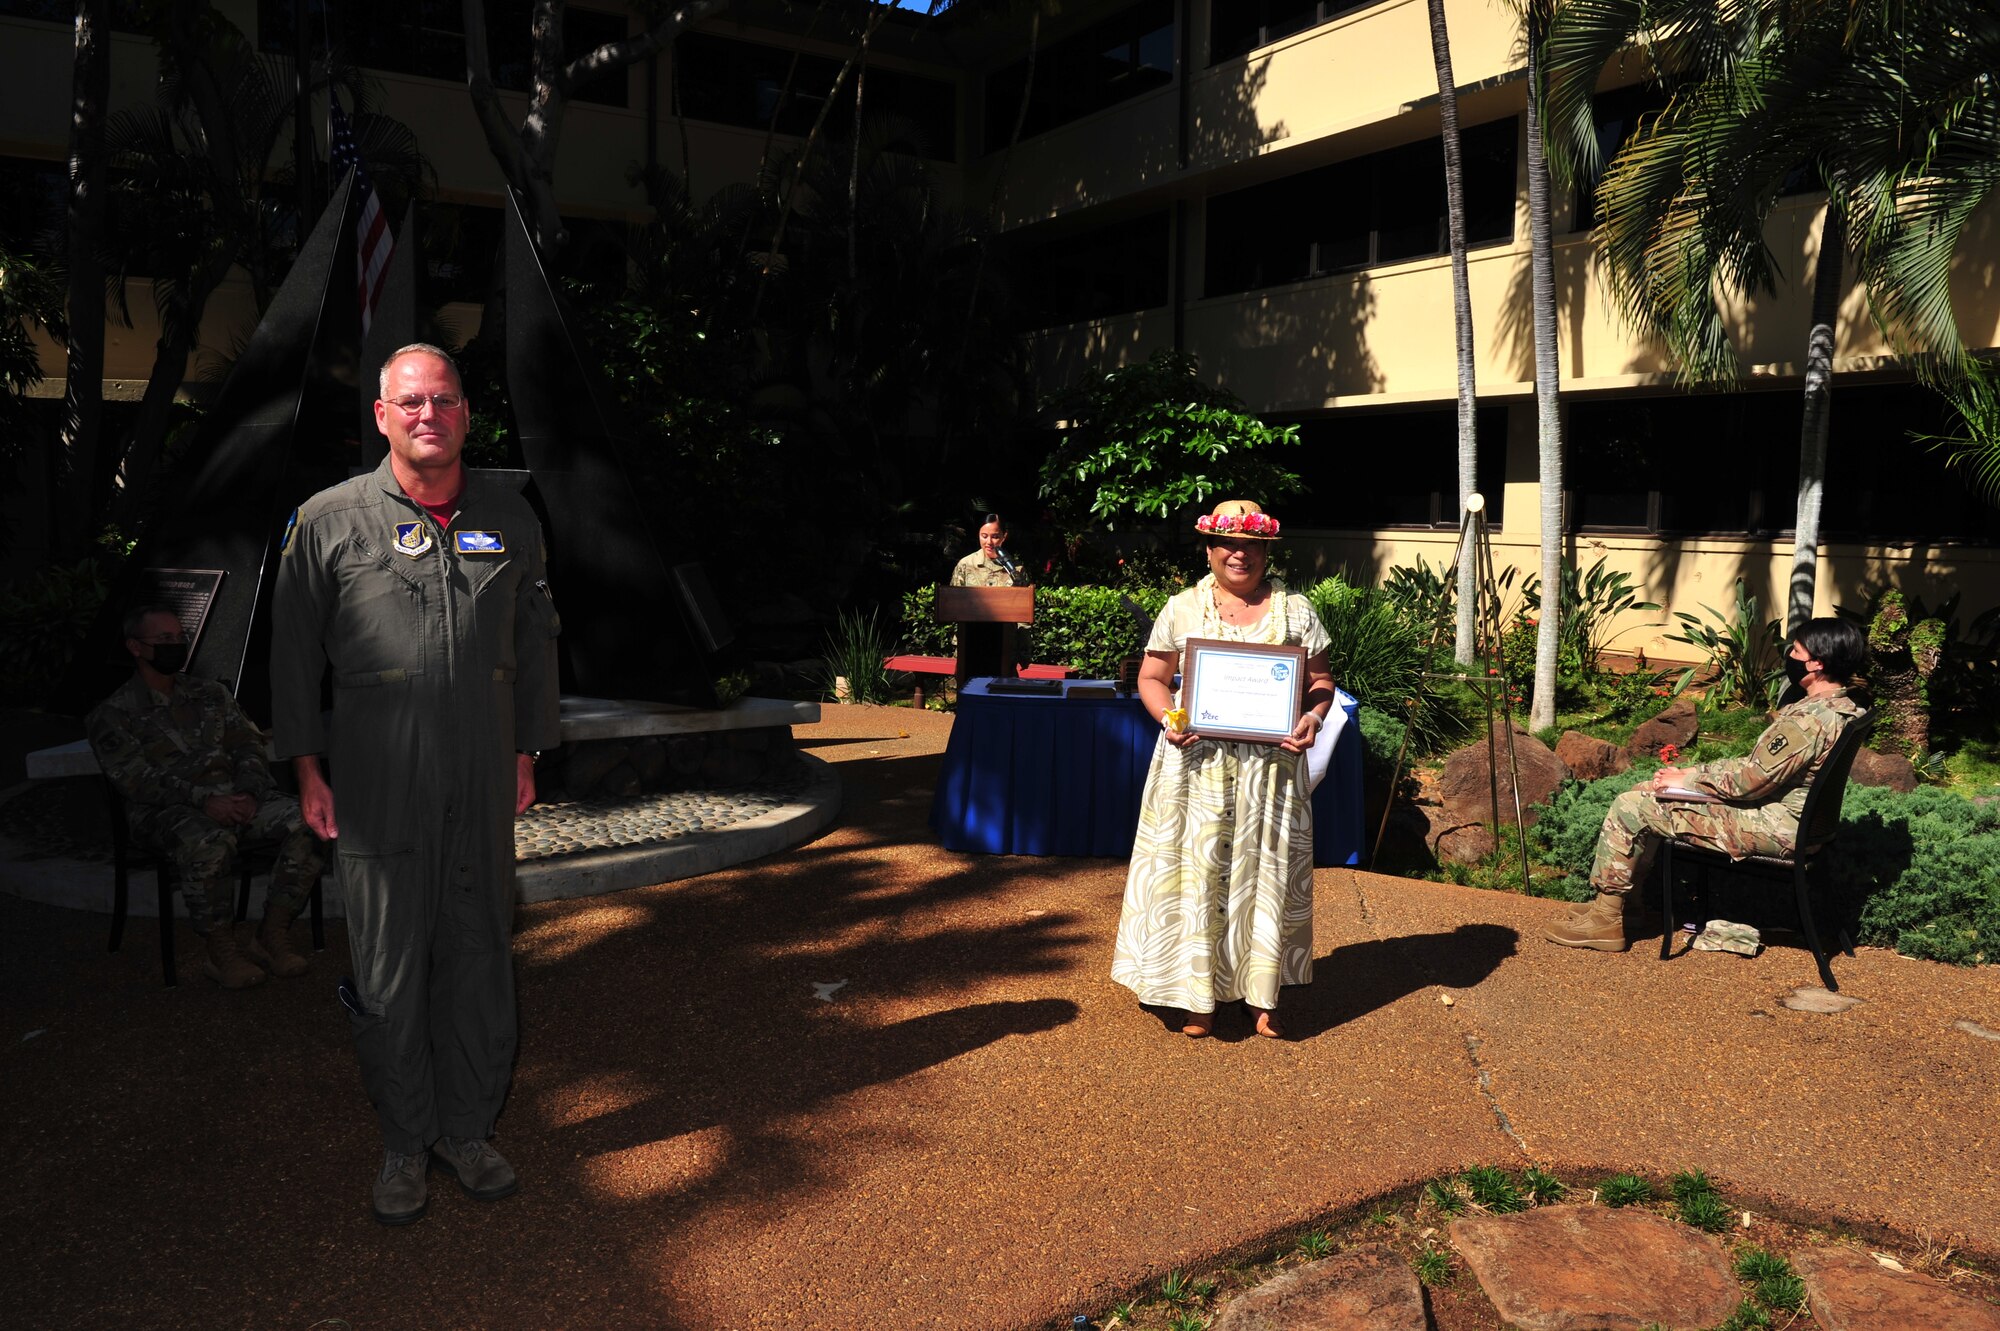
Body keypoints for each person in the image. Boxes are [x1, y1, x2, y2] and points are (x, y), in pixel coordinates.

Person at [270, 342, 562, 1226]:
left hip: (481, 777)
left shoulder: (511, 518)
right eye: (410, 402)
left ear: (467, 413)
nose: (427, 414)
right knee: (390, 967)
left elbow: (537, 642)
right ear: (383, 417)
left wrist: (526, 753)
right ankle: (404, 1141)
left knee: (478, 955)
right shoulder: (328, 520)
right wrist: (307, 768)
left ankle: (467, 1130)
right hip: (377, 783)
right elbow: (291, 659)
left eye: (443, 399)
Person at [1110, 500, 1336, 1039]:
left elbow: (1321, 681)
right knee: (1196, 873)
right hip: (1195, 766)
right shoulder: (1182, 608)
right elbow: (1152, 678)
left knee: (1264, 875)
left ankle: (1261, 995)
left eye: (1251, 545)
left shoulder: (1297, 611)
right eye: (1228, 544)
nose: (1240, 554)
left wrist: (1312, 716)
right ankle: (1196, 996)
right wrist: (1170, 716)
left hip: (1271, 770)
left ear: (1265, 552)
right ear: (1210, 551)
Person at [1545, 617, 1870, 952]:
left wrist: (1690, 780)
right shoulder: (1841, 708)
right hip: (1791, 819)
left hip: (1776, 826)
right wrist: (1690, 773)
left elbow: (1747, 782)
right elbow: (1755, 767)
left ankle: (1605, 920)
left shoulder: (1807, 721)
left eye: (1796, 651)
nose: (1790, 655)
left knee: (1632, 806)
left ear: (1816, 663)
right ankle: (1626, 906)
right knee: (1646, 791)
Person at [86, 605, 325, 989]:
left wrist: (248, 792)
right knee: (210, 841)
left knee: (311, 823)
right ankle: (221, 951)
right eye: (164, 640)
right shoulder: (113, 713)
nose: (175, 645)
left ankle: (271, 933)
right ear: (135, 646)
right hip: (167, 812)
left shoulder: (210, 694)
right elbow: (135, 781)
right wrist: (204, 800)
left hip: (236, 798)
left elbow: (249, 745)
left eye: (180, 637)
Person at [950, 513, 1026, 587]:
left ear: (1004, 536)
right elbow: (953, 596)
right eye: (984, 536)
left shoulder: (1016, 569)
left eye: (995, 537)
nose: (989, 542)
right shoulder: (965, 565)